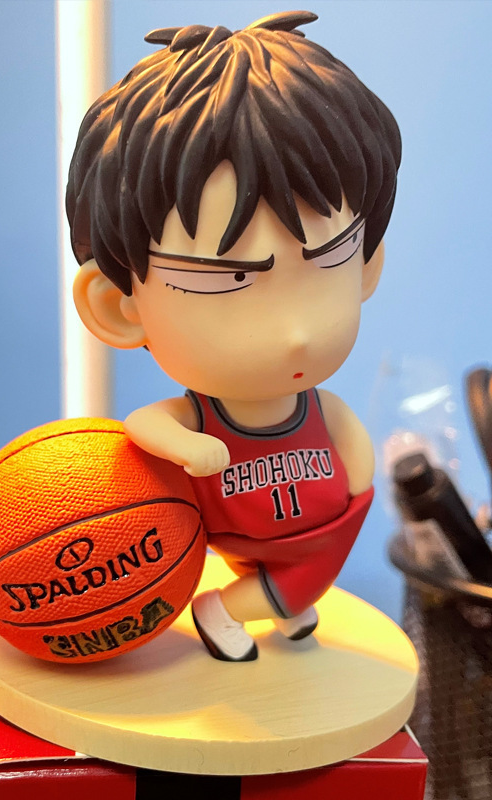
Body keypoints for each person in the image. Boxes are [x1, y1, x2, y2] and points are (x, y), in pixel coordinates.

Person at [67, 10, 401, 661]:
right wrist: (191, 449)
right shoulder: (201, 418)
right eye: (230, 282)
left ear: (367, 263)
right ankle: (226, 608)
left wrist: (359, 479)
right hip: (241, 539)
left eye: (331, 260)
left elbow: (344, 433)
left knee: (308, 575)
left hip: (317, 529)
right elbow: (145, 425)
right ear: (120, 308)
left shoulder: (318, 407)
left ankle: (282, 604)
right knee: (307, 578)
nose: (296, 332)